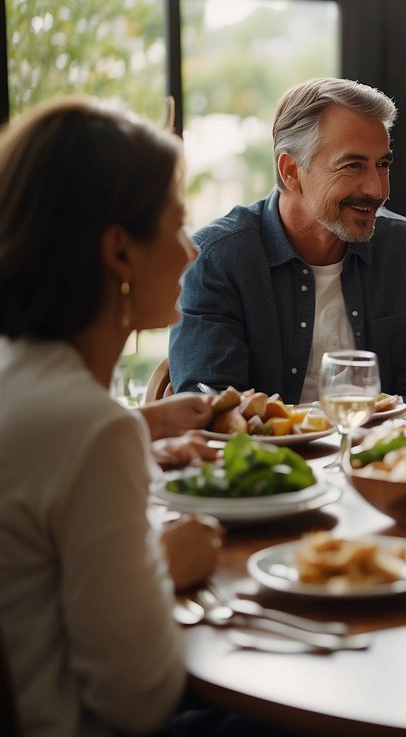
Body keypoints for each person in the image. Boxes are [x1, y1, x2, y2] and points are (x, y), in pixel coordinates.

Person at [0, 97, 223, 737]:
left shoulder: (23, 376)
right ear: (120, 252)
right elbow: (140, 700)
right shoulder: (93, 429)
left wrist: (144, 430)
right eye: (178, 227)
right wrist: (164, 562)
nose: (192, 254)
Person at [169, 77, 406, 404]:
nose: (378, 190)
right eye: (352, 165)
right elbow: (211, 412)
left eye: (382, 165)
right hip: (271, 455)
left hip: (388, 453)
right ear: (291, 171)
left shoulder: (402, 246)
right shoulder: (216, 259)